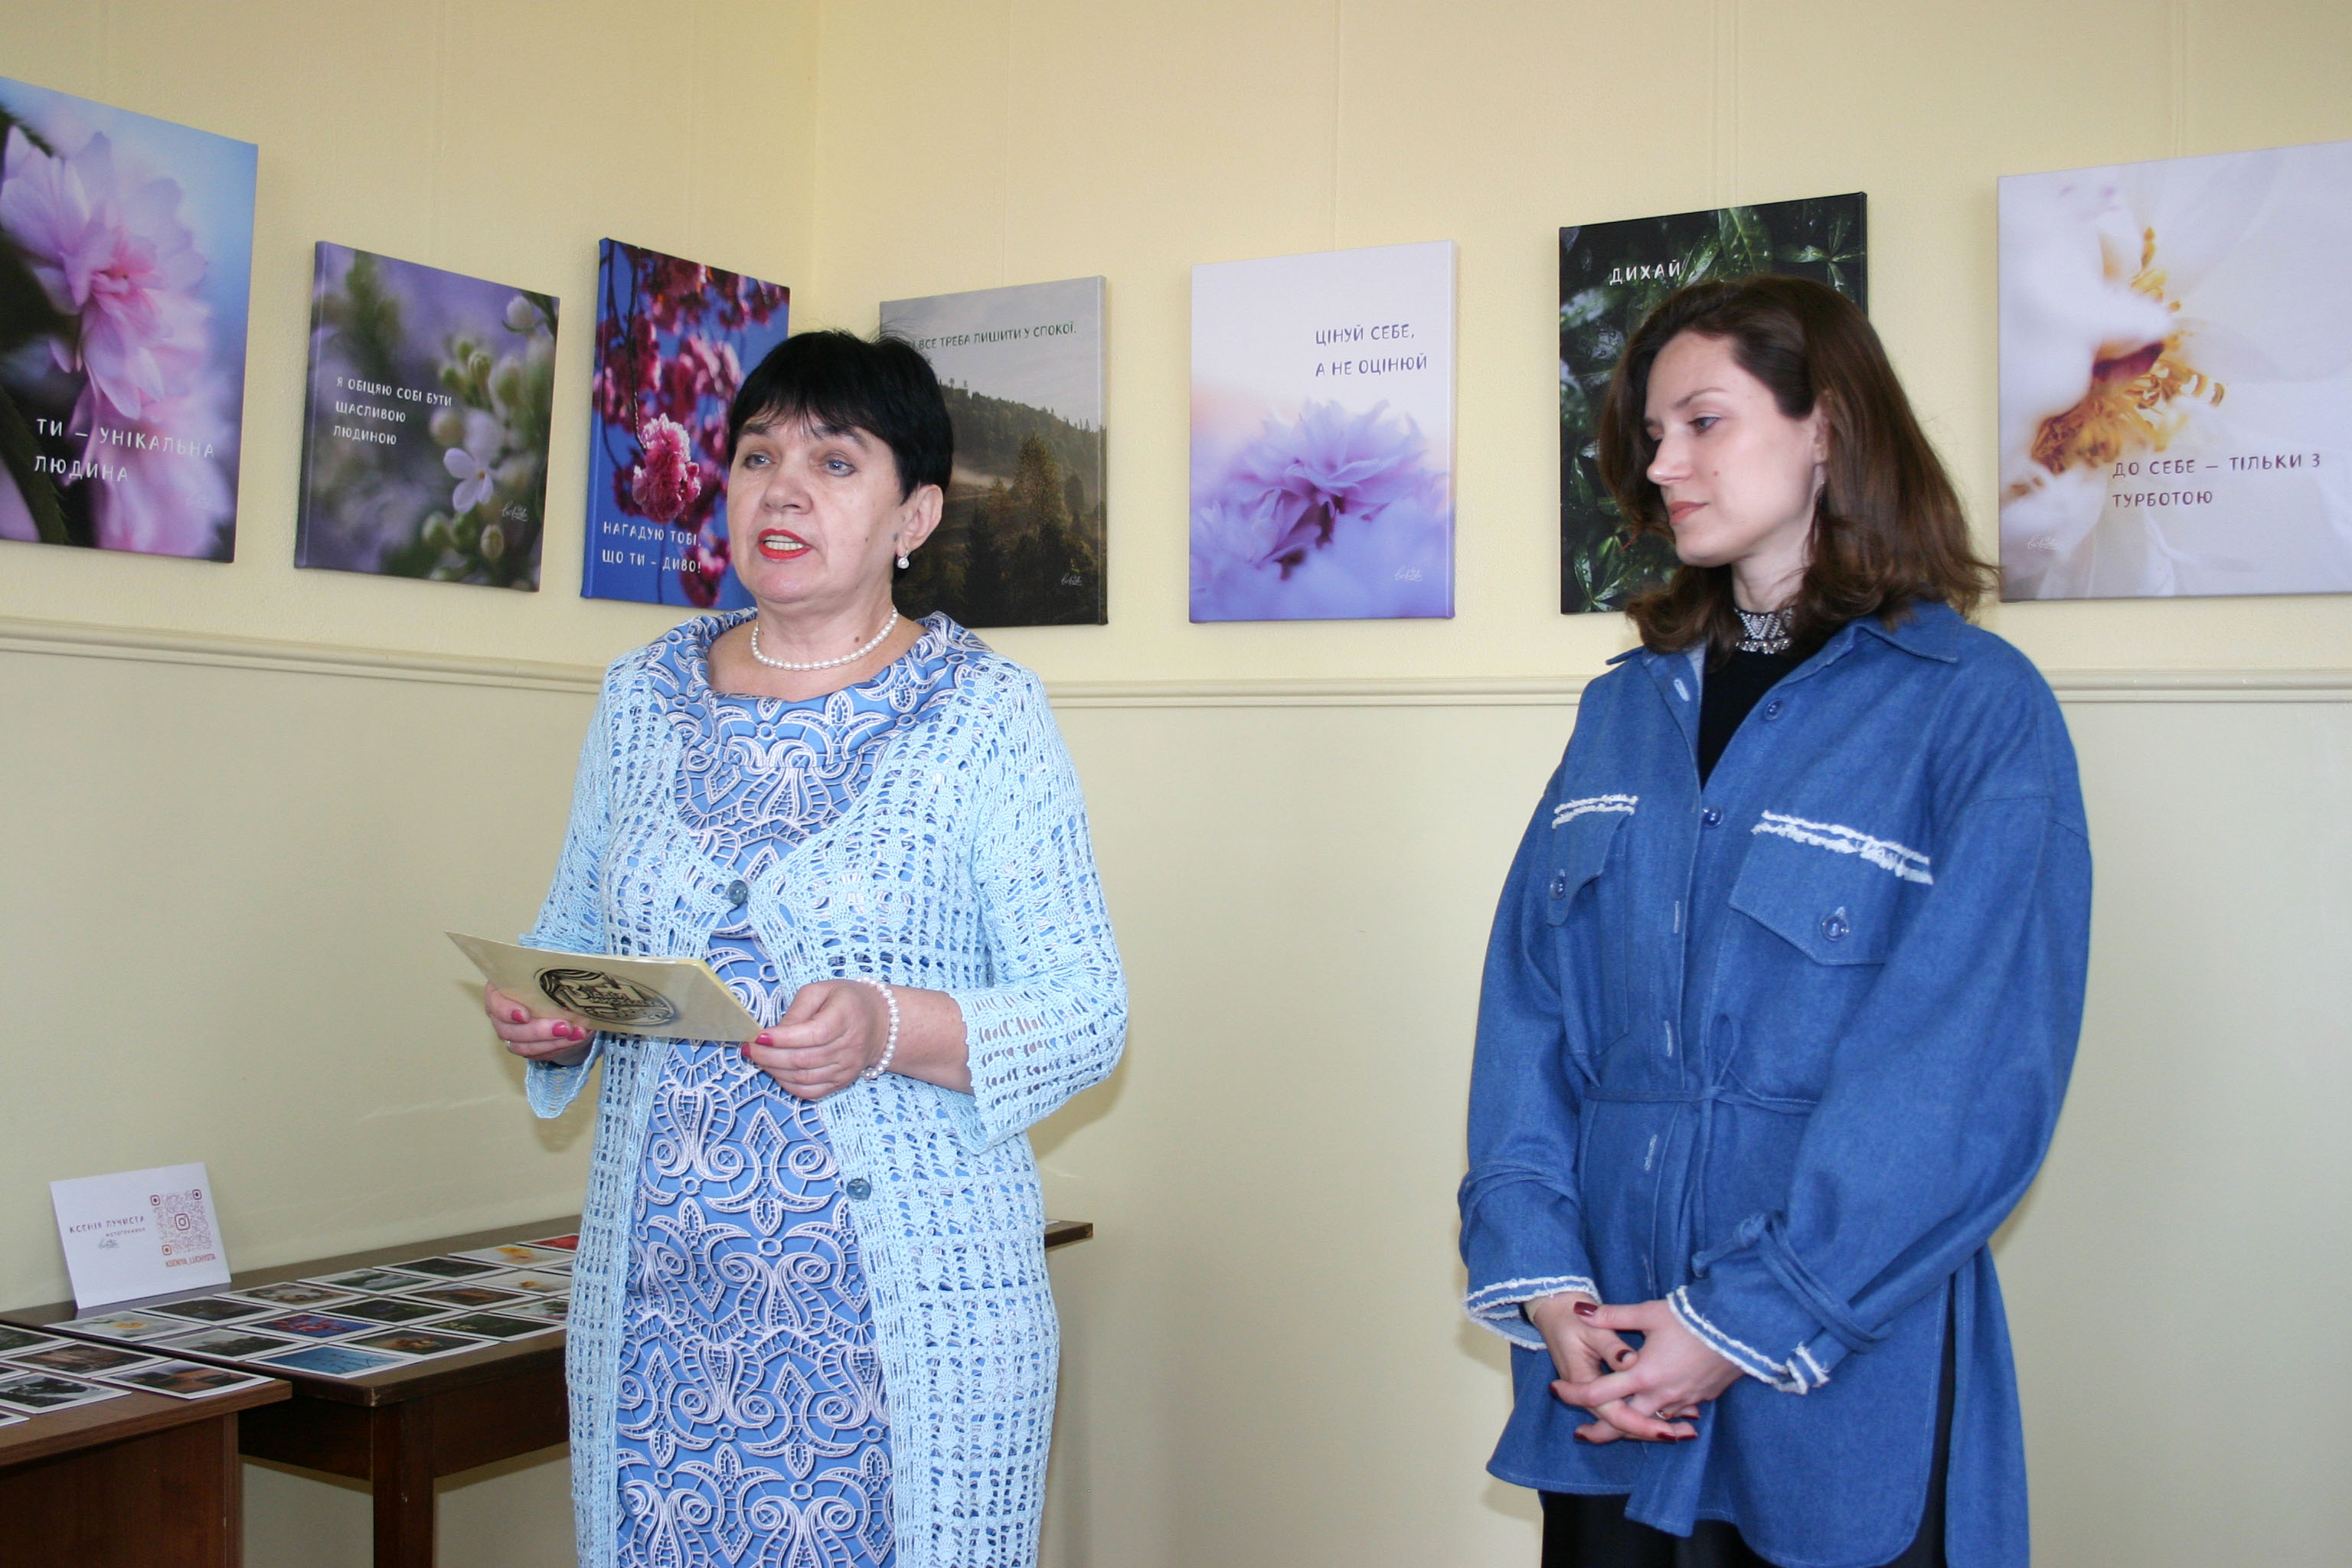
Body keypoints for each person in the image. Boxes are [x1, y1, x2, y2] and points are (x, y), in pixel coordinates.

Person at [1459, 276, 2091, 1568]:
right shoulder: (1623, 709)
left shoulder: (1973, 709)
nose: (1663, 465)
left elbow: (1963, 1079)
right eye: (1652, 435)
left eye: (1703, 422)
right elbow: (1528, 1009)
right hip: (1612, 1364)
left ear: (1827, 428)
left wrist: (1744, 1317)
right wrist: (1544, 1273)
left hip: (1833, 1366)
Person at [487, 330, 1126, 1568]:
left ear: (915, 516)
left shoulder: (985, 716)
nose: (781, 490)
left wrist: (889, 1027)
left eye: (835, 462)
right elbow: (571, 939)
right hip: (662, 1324)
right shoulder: (640, 697)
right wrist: (555, 1016)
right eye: (756, 455)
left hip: (906, 1332)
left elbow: (1086, 1008)